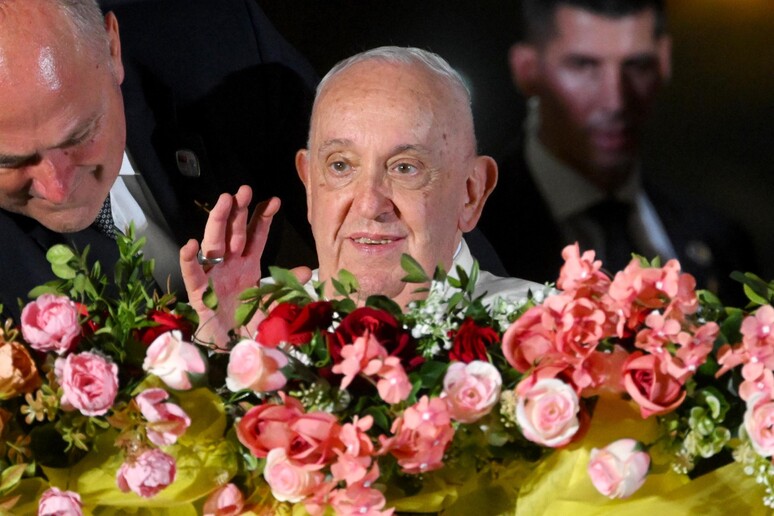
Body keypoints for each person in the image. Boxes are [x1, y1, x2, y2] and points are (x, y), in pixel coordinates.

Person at [180, 47, 540, 345]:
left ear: (471, 193)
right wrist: (219, 356)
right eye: (340, 166)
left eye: (405, 168)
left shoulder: (552, 335)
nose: (369, 204)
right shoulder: (244, 325)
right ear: (309, 185)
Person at [0, 0, 316, 320]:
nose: (57, 190)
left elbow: (347, 208)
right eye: (9, 161)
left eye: (78, 136)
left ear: (112, 49)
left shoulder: (224, 43)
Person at [478, 0, 756, 300]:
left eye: (638, 65)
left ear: (664, 62)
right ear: (527, 69)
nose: (616, 100)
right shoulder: (469, 235)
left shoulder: (721, 240)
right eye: (583, 65)